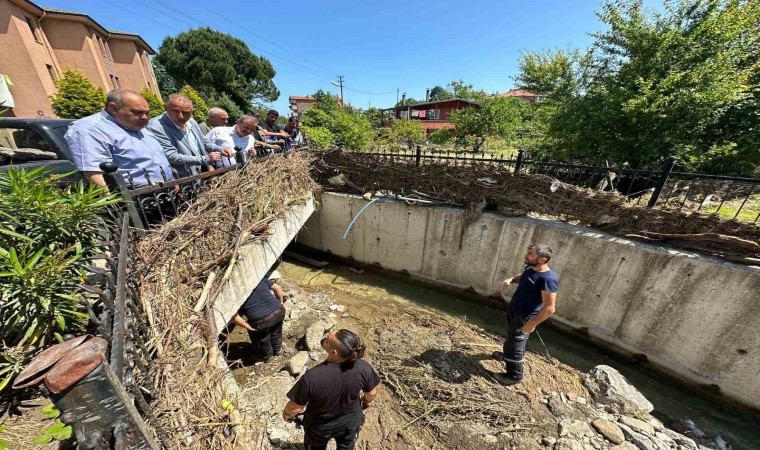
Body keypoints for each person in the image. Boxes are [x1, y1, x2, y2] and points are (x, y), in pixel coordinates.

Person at [282, 329, 380, 450]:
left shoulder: (312, 377)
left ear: (334, 352)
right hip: (350, 421)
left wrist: (287, 415)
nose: (326, 334)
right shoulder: (364, 367)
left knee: (316, 447)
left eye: (328, 338)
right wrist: (366, 401)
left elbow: (295, 407)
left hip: (319, 426)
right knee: (346, 446)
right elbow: (371, 393)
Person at [64, 90, 172, 188]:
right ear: (114, 108)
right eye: (138, 112)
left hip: (164, 192)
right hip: (135, 198)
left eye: (147, 113)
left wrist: (171, 181)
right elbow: (93, 174)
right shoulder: (88, 130)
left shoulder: (136, 126)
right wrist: (119, 207)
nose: (145, 117)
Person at [493, 244, 559, 385]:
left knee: (515, 344)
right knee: (513, 338)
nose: (526, 255)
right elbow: (522, 276)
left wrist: (532, 324)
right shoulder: (531, 267)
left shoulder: (548, 279)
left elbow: (549, 308)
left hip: (525, 316)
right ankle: (507, 356)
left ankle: (514, 376)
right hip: (515, 310)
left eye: (530, 254)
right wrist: (509, 280)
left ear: (542, 259)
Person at [146, 94, 232, 177]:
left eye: (185, 112)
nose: (180, 115)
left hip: (199, 174)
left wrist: (220, 149)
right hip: (179, 180)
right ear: (166, 108)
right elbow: (171, 156)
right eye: (175, 111)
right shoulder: (155, 127)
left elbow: (203, 142)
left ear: (192, 112)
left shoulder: (191, 122)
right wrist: (205, 159)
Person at [232, 275, 286, 361]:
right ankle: (277, 349)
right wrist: (281, 302)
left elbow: (233, 316)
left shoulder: (232, 294)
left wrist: (247, 326)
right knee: (276, 332)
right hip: (279, 311)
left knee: (262, 339)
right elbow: (278, 288)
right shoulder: (256, 279)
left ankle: (266, 356)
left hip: (262, 321)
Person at [204, 115, 277, 166]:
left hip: (241, 172)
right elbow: (203, 147)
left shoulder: (251, 138)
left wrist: (251, 155)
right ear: (238, 122)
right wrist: (209, 166)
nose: (248, 131)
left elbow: (250, 157)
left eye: (252, 129)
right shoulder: (218, 131)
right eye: (246, 127)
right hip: (218, 172)